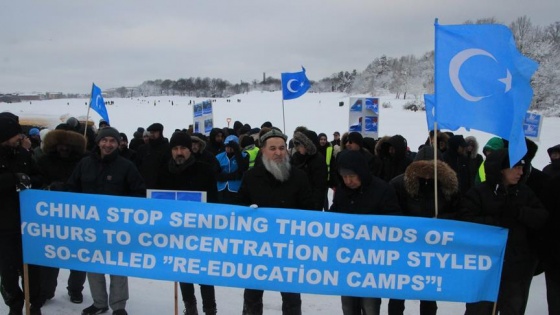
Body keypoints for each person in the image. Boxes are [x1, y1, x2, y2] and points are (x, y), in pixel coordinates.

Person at [458, 149, 548, 315]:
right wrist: (497, 222)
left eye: (523, 168)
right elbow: (466, 222)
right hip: (484, 267)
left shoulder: (524, 192)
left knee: (512, 309)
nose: (521, 172)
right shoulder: (479, 192)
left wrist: (520, 212)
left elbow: (541, 218)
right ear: (501, 169)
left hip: (516, 267)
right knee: (479, 310)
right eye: (516, 168)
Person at [67, 126, 146, 315]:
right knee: (93, 264)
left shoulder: (126, 166)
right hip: (90, 227)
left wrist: (124, 211)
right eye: (105, 140)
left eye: (112, 141)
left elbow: (139, 192)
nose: (108, 144)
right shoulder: (84, 164)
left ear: (118, 144)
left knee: (117, 265)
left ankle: (118, 305)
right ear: (98, 142)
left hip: (117, 227)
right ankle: (99, 302)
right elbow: (72, 188)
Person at [238, 129, 314, 315]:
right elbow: (239, 209)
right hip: (257, 248)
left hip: (289, 248)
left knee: (291, 298)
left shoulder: (299, 177)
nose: (278, 152)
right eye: (272, 148)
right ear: (263, 150)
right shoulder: (251, 177)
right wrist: (249, 212)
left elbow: (309, 212)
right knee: (252, 296)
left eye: (281, 148)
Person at [329, 150, 401, 315]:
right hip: (347, 257)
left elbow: (395, 221)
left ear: (361, 171)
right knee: (348, 305)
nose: (348, 181)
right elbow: (335, 214)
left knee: (370, 306)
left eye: (352, 176)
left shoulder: (383, 189)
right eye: (344, 177)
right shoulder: (341, 191)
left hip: (372, 259)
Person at [156, 132, 218, 315]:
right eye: (175, 149)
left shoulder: (205, 170)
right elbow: (157, 203)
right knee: (182, 271)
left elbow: (214, 202)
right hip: (176, 232)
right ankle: (190, 307)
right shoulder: (163, 171)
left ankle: (210, 309)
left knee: (203, 273)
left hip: (201, 232)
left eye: (183, 148)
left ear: (191, 150)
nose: (179, 152)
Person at [387, 159, 460, 315]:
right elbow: (390, 211)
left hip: (432, 250)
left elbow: (459, 214)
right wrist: (410, 226)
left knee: (428, 293)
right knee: (398, 292)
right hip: (403, 248)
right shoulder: (398, 184)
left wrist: (441, 221)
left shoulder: (448, 187)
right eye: (422, 172)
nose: (427, 176)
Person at [36, 126, 88, 305]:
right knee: (50, 253)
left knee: (79, 255)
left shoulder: (84, 161)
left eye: (68, 144)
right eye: (60, 144)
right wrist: (48, 187)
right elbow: (35, 182)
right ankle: (45, 290)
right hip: (51, 217)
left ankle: (75, 289)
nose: (64, 148)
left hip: (79, 216)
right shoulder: (43, 160)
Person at [0, 116, 43, 315]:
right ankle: (15, 305)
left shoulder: (24, 155)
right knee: (7, 271)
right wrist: (13, 179)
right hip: (3, 226)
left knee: (32, 268)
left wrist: (29, 180)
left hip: (27, 223)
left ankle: (33, 304)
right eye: (16, 133)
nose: (20, 137)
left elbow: (38, 177)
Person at [291, 130, 328, 210]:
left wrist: (316, 208)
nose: (297, 147)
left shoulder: (318, 159)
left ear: (308, 145)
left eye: (300, 144)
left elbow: (319, 187)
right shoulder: (296, 157)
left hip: (310, 205)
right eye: (297, 144)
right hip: (295, 203)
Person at [135, 123, 170, 189]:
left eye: (154, 132)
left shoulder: (167, 148)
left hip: (162, 186)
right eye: (151, 132)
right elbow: (138, 166)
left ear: (160, 133)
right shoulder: (143, 149)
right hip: (145, 185)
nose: (152, 134)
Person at [216, 135, 249, 205]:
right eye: (226, 145)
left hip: (237, 189)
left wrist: (237, 151)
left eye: (231, 146)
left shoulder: (244, 156)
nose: (228, 148)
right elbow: (216, 174)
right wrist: (233, 176)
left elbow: (242, 169)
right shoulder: (219, 157)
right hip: (221, 189)